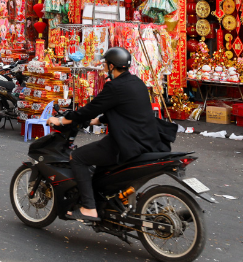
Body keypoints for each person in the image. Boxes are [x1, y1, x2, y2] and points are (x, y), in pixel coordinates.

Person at [46, 47, 170, 221]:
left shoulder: (115, 86)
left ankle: (89, 208)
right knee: (100, 166)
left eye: (105, 65)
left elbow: (91, 108)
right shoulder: (137, 82)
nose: (104, 68)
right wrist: (99, 120)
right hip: (148, 140)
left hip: (127, 143)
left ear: (111, 66)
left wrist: (64, 120)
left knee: (79, 157)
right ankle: (107, 202)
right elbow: (127, 110)